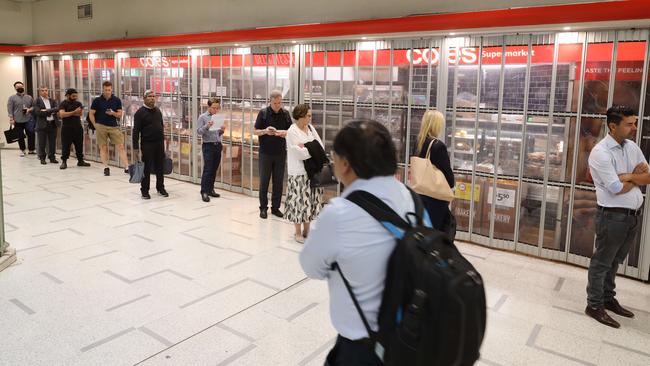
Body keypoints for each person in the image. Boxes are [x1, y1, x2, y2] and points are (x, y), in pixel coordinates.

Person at [300, 119, 412, 365]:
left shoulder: (340, 213)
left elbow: (311, 266)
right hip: (412, 337)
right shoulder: (411, 198)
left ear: (346, 164)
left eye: (334, 156)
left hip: (363, 349)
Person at [586, 105, 650, 328]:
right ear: (613, 126)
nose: (634, 127)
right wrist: (635, 177)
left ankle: (607, 298)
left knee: (615, 261)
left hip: (631, 217)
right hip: (612, 217)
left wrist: (628, 176)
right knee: (602, 263)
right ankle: (594, 305)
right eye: (629, 124)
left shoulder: (632, 147)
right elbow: (614, 187)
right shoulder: (601, 152)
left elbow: (648, 177)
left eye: (634, 123)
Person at [285, 104, 324, 243]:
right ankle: (297, 233)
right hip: (298, 172)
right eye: (308, 115)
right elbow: (299, 154)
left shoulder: (311, 128)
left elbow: (321, 147)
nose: (310, 117)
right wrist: (311, 147)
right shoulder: (292, 131)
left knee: (310, 202)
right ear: (301, 116)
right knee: (299, 202)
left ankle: (307, 230)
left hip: (312, 171)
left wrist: (307, 146)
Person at [254, 90, 292, 219]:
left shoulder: (286, 114)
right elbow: (255, 131)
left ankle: (275, 208)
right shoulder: (263, 113)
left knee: (278, 181)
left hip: (281, 153)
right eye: (275, 103)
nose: (277, 105)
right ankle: (263, 208)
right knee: (264, 181)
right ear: (270, 101)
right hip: (265, 153)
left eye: (279, 103)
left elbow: (291, 132)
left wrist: (280, 133)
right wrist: (265, 131)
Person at [415, 109, 455, 231]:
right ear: (436, 125)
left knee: (422, 228)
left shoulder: (418, 143)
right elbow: (447, 173)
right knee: (437, 229)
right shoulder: (438, 146)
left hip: (420, 193)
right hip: (434, 197)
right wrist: (452, 184)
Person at [132, 90, 168, 199]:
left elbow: (161, 126)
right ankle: (144, 190)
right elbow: (136, 131)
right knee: (146, 168)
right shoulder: (139, 113)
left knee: (160, 167)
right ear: (144, 98)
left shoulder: (158, 111)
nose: (152, 98)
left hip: (159, 143)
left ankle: (160, 187)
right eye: (150, 96)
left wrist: (163, 141)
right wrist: (135, 148)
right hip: (147, 144)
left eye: (154, 96)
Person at [89, 81, 128, 176]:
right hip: (101, 126)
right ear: (103, 89)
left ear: (112, 89)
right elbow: (91, 113)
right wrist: (95, 125)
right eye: (106, 90)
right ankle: (106, 167)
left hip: (113, 126)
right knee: (103, 147)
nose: (107, 92)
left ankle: (127, 167)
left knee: (120, 146)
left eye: (109, 90)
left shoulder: (116, 100)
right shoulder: (97, 100)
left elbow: (120, 115)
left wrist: (113, 113)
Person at [196, 98, 226, 202]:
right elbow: (199, 132)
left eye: (217, 108)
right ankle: (204, 191)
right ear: (208, 107)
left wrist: (222, 130)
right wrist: (207, 126)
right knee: (208, 169)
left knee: (214, 169)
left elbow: (217, 133)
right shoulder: (202, 117)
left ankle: (210, 189)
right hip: (208, 146)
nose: (216, 110)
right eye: (214, 108)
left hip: (217, 145)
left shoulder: (218, 117)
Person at [58, 89, 91, 169]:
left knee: (79, 145)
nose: (75, 97)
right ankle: (64, 162)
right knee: (66, 146)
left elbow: (80, 113)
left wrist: (69, 113)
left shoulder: (78, 103)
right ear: (68, 95)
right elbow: (62, 115)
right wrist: (74, 112)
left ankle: (80, 161)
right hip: (67, 128)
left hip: (78, 127)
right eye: (73, 96)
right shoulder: (63, 104)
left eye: (76, 96)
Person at [6, 81, 35, 156]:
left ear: (23, 87)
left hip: (28, 119)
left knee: (31, 134)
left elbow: (33, 106)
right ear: (15, 88)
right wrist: (11, 119)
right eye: (18, 87)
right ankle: (22, 150)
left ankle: (31, 150)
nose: (20, 88)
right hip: (18, 120)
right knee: (20, 136)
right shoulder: (12, 98)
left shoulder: (29, 97)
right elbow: (10, 109)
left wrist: (29, 109)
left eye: (21, 86)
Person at [33, 86, 59, 164]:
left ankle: (52, 157)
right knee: (42, 143)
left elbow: (57, 109)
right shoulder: (37, 101)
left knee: (52, 142)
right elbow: (38, 113)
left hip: (52, 124)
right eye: (42, 90)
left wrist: (46, 111)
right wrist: (51, 111)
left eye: (46, 90)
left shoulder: (52, 100)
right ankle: (42, 158)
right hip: (42, 125)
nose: (45, 92)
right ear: (40, 92)